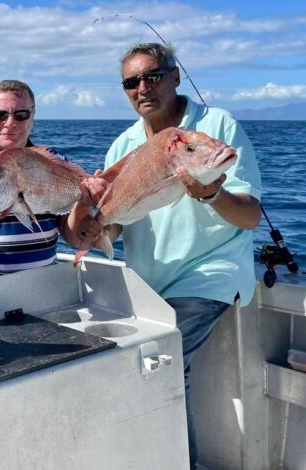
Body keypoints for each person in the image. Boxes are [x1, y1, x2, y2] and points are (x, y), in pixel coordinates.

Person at [71, 42, 262, 468]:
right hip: (152, 285)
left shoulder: (216, 125)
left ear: (176, 76)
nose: (143, 87)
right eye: (132, 81)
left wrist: (212, 192)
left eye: (154, 75)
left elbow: (250, 216)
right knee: (119, 361)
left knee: (164, 362)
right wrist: (94, 223)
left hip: (211, 274)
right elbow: (118, 223)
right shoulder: (122, 146)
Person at [0, 79, 102, 277]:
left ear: (32, 117)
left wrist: (85, 203)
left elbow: (74, 239)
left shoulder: (55, 161)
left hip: (44, 286)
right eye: (0, 115)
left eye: (21, 115)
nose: (10, 123)